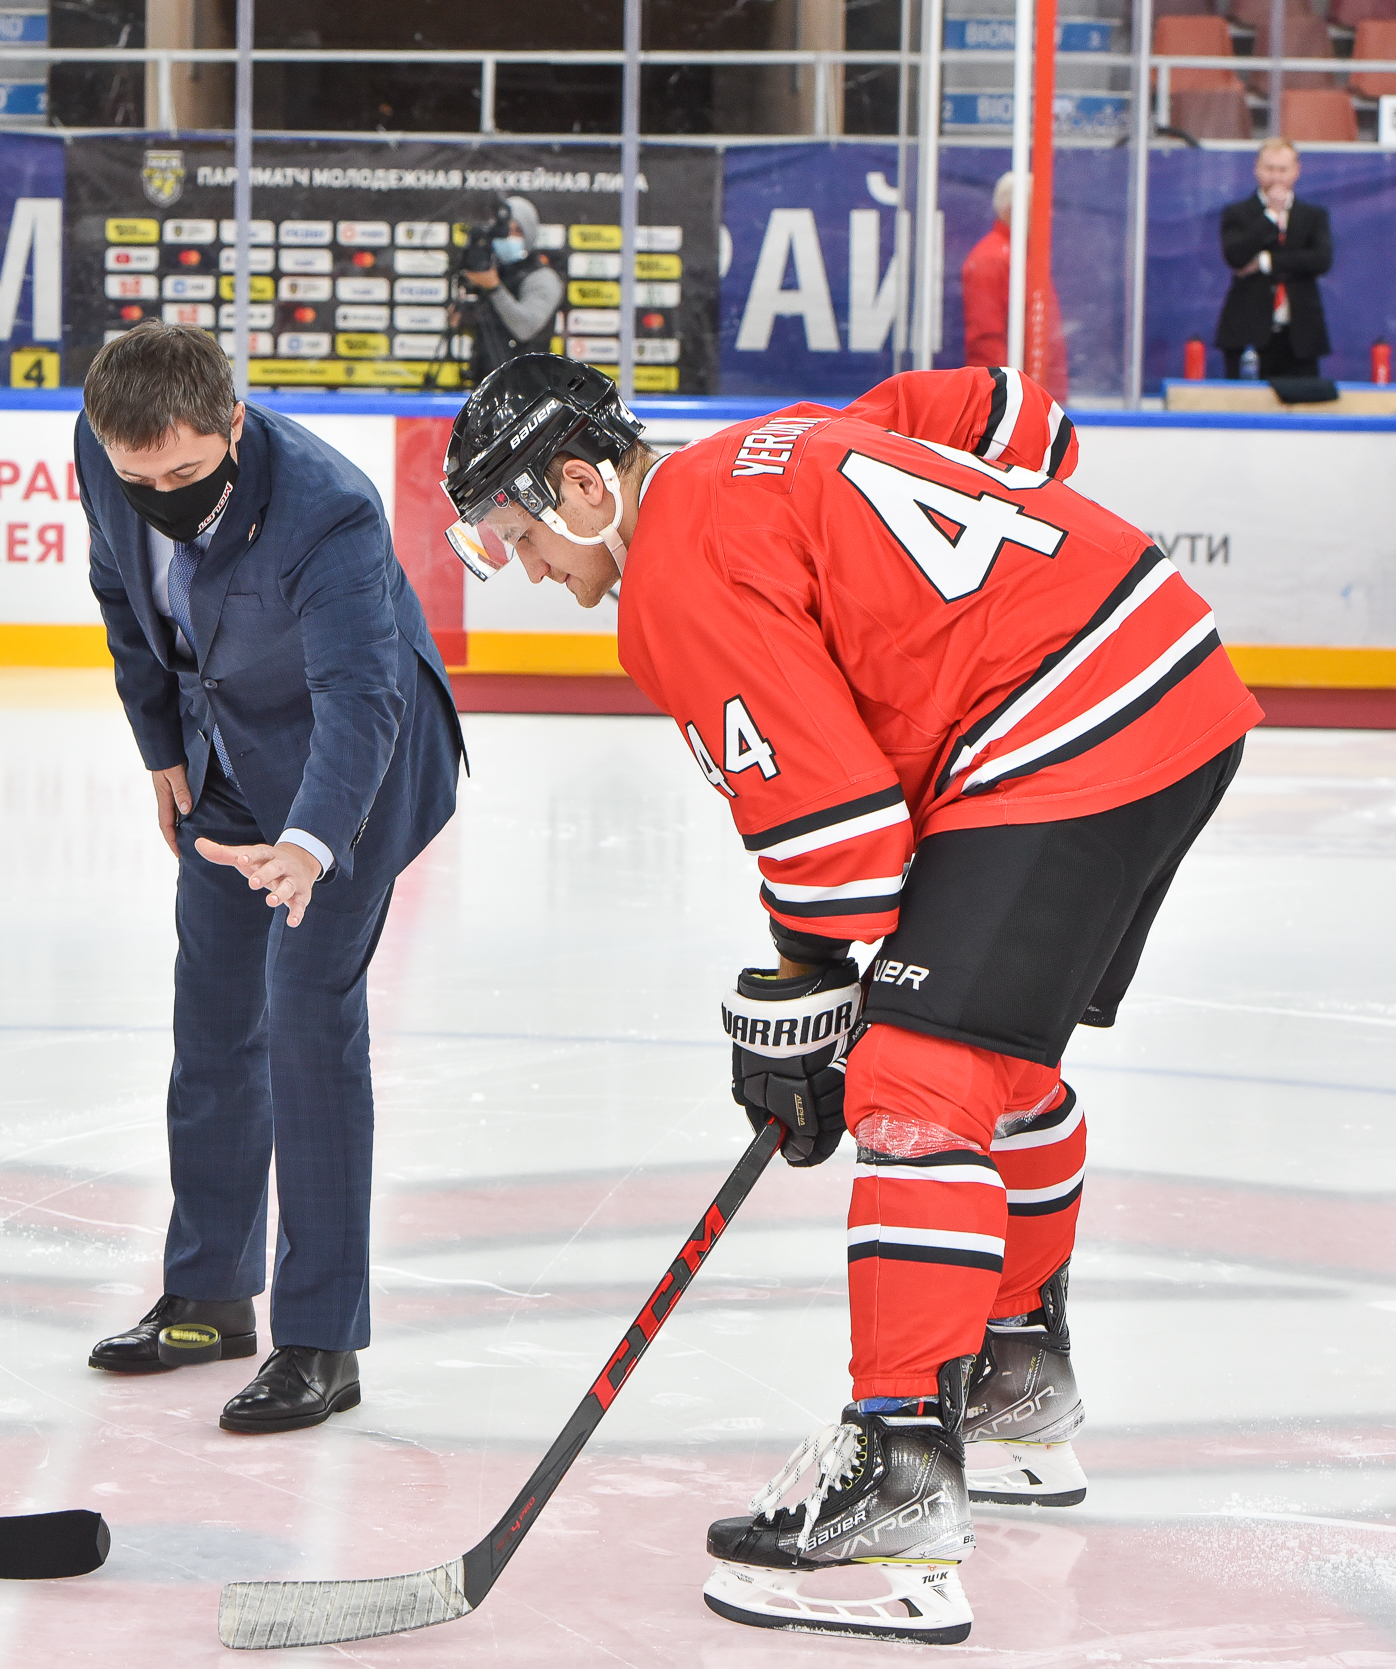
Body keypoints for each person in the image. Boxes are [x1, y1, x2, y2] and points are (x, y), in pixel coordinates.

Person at [442, 354, 1258, 1644]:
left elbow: (839, 837)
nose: (525, 563)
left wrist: (808, 999)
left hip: (1058, 735)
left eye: (516, 527)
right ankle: (1016, 1378)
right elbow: (1012, 418)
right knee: (997, 1064)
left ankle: (901, 1467)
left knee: (915, 1085)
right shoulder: (770, 439)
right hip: (1167, 679)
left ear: (584, 484)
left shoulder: (669, 576)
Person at [76, 322, 464, 1434]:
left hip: (352, 777)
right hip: (220, 755)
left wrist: (311, 840)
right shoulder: (106, 451)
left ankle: (321, 1339)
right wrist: (159, 746)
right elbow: (122, 593)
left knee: (304, 1018)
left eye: (185, 475)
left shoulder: (326, 508)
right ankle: (207, 1293)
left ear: (233, 428)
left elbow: (362, 699)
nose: (158, 495)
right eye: (136, 476)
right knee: (212, 1018)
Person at [1218, 136, 1332, 380]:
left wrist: (1265, 262)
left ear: (1296, 171)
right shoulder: (1238, 213)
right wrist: (1271, 214)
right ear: (1257, 169)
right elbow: (1236, 256)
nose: (1276, 177)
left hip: (1299, 334)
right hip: (1248, 331)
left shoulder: (1313, 216)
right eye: (1269, 169)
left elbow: (1321, 259)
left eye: (1283, 169)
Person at [960, 171, 1067, 401]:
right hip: (1016, 404)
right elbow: (986, 343)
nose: (1049, 214)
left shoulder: (1023, 257)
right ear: (1014, 211)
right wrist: (1004, 402)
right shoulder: (991, 259)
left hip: (1037, 400)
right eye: (1039, 207)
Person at [455, 194, 564, 384]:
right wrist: (463, 314)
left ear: (529, 233)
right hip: (486, 384)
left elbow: (524, 327)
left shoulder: (543, 278)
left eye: (516, 231)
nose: (508, 238)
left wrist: (494, 288)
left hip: (528, 388)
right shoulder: (494, 269)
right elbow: (491, 323)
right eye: (503, 231)